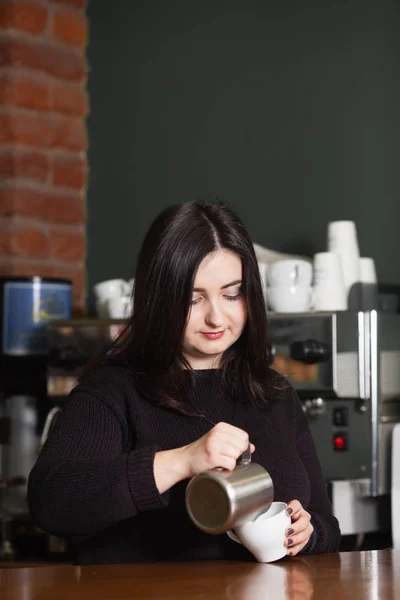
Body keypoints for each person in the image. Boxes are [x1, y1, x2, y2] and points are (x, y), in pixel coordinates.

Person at [28, 201, 341, 565]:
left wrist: (309, 533)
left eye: (231, 293)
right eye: (193, 299)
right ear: (158, 299)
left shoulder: (273, 392)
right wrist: (180, 462)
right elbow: (51, 503)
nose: (215, 316)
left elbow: (328, 526)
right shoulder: (113, 390)